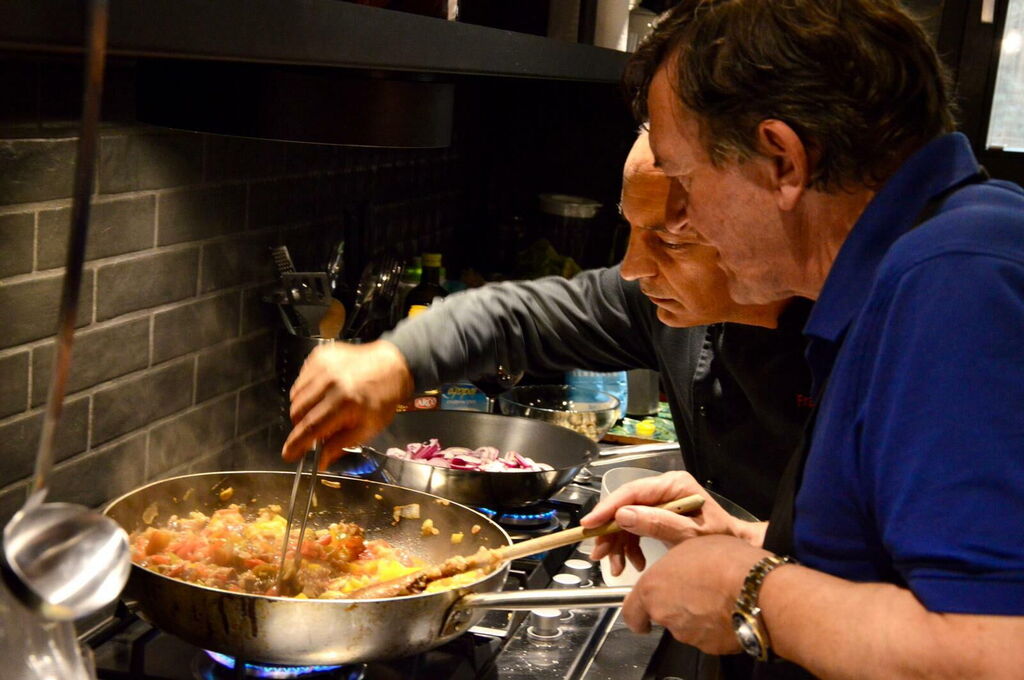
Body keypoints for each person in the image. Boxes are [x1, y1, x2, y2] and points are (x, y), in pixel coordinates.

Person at [581, 1, 1024, 678]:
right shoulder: (913, 267)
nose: (687, 220)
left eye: (686, 184)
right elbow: (906, 578)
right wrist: (757, 543)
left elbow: (996, 650)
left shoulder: (954, 280)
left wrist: (751, 593)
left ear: (783, 159)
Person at [284, 130, 812, 522]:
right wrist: (395, 359)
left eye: (672, 240)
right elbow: (520, 315)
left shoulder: (870, 340)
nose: (632, 268)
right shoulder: (669, 301)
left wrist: (755, 561)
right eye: (630, 229)